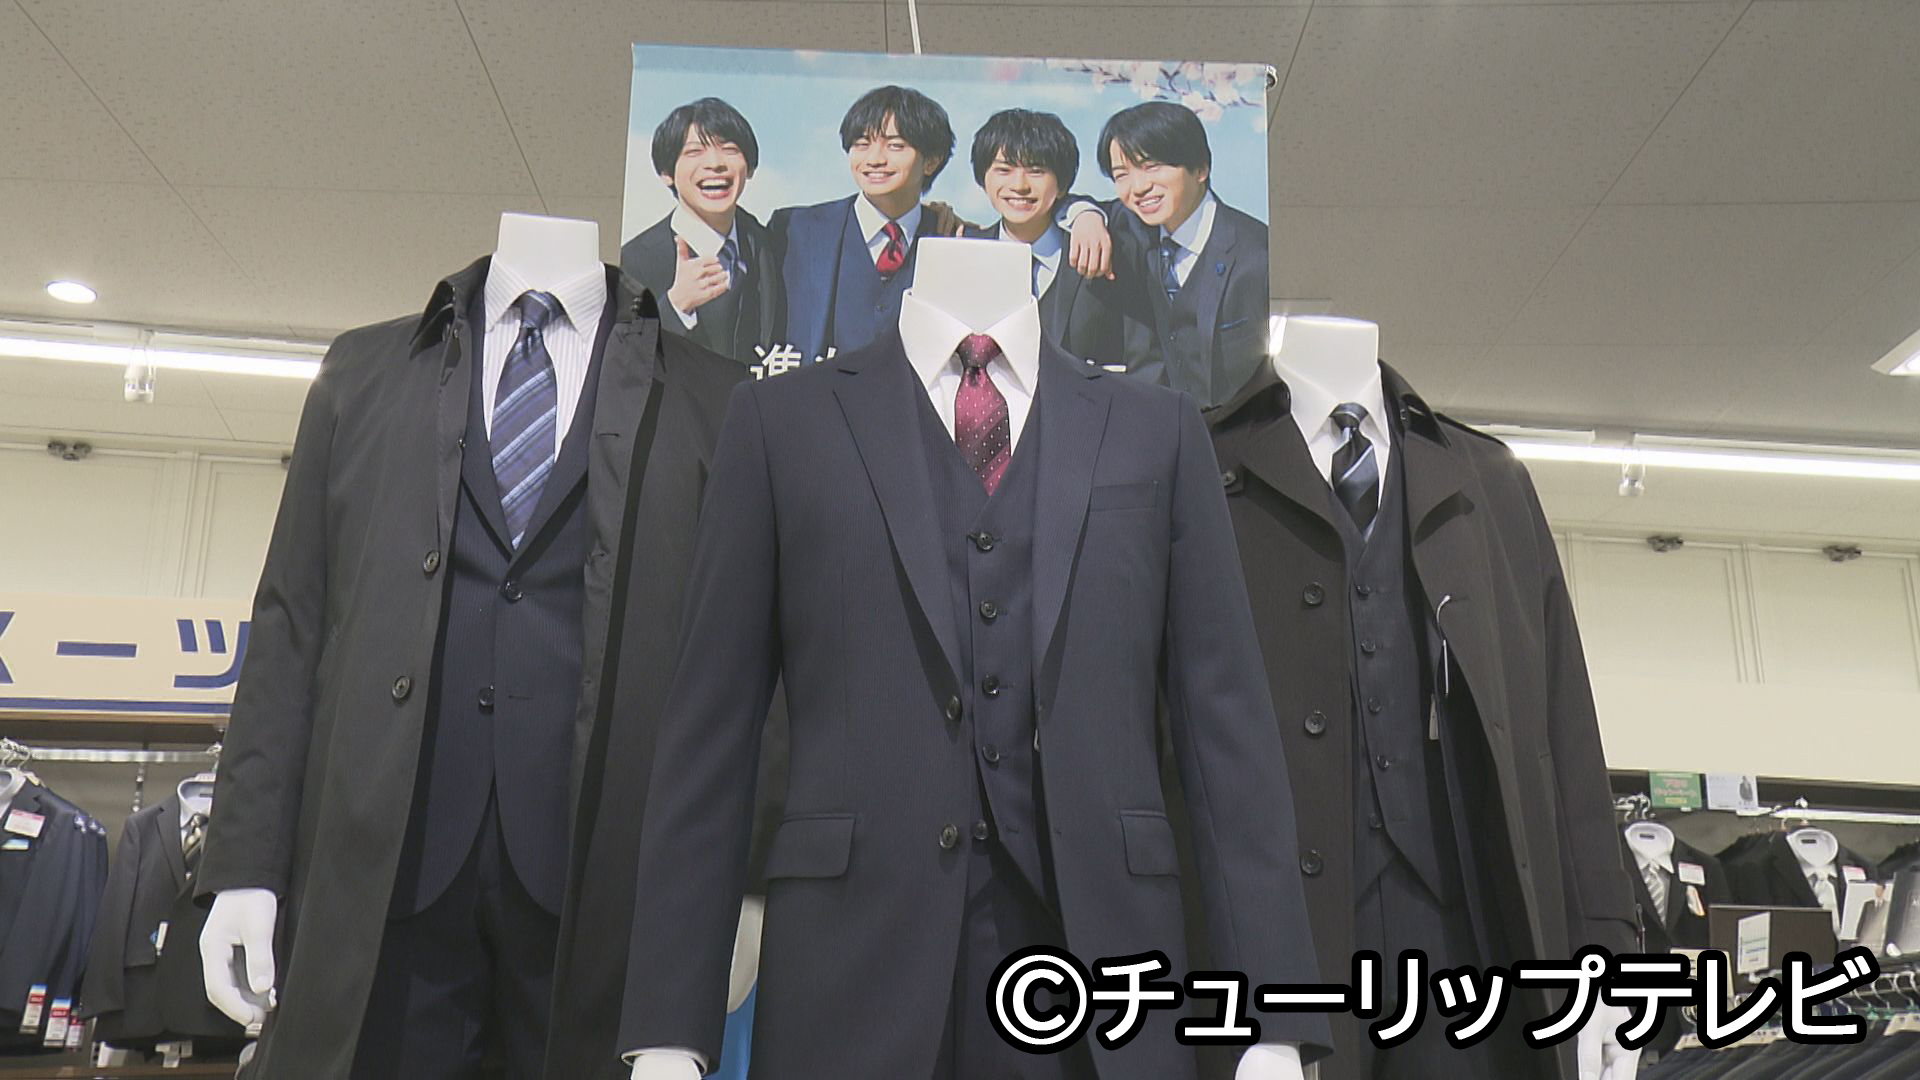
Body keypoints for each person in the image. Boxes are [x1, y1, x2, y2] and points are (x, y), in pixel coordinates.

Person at [1098, 101, 1269, 408]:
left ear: (1200, 168)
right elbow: (1098, 208)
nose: (1138, 187)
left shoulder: (1258, 254)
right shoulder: (1135, 234)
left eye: (1152, 166)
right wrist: (1085, 216)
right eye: (1121, 174)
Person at [768, 85, 955, 365]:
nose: (875, 159)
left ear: (931, 161)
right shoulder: (794, 230)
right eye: (862, 144)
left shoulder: (952, 240)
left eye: (895, 145)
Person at [963, 108, 1141, 371]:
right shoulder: (963, 252)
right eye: (1004, 170)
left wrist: (1086, 212)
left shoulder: (1102, 244)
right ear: (983, 178)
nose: (1019, 185)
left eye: (1036, 171)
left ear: (1063, 184)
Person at [622, 97, 782, 368]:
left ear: (750, 167)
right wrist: (676, 306)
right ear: (666, 172)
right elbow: (624, 366)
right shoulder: (633, 262)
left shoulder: (768, 243)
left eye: (729, 149)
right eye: (694, 151)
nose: (715, 163)